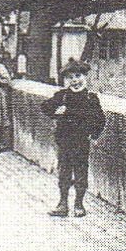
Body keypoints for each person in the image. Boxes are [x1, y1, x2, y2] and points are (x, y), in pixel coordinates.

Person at [43, 58, 106, 218]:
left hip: (81, 141)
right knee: (64, 171)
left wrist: (95, 135)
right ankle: (62, 204)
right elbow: (45, 107)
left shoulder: (90, 99)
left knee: (80, 172)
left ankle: (79, 204)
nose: (75, 80)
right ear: (66, 80)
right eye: (70, 77)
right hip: (64, 140)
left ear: (85, 77)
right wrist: (56, 111)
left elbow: (100, 119)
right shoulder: (62, 96)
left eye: (78, 76)